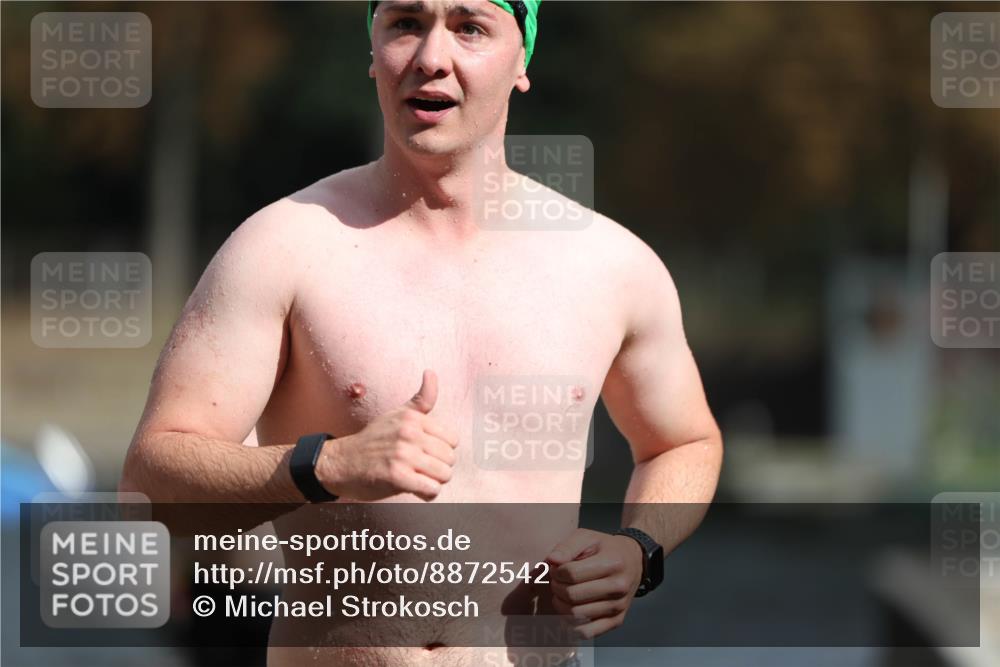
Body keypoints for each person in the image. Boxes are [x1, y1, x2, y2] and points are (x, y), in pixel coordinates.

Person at [120, 1, 723, 665]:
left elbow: (684, 440)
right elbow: (149, 494)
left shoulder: (612, 266)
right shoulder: (282, 248)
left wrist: (640, 548)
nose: (432, 57)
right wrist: (326, 466)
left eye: (470, 27)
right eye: (406, 23)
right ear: (372, 52)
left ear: (523, 58)